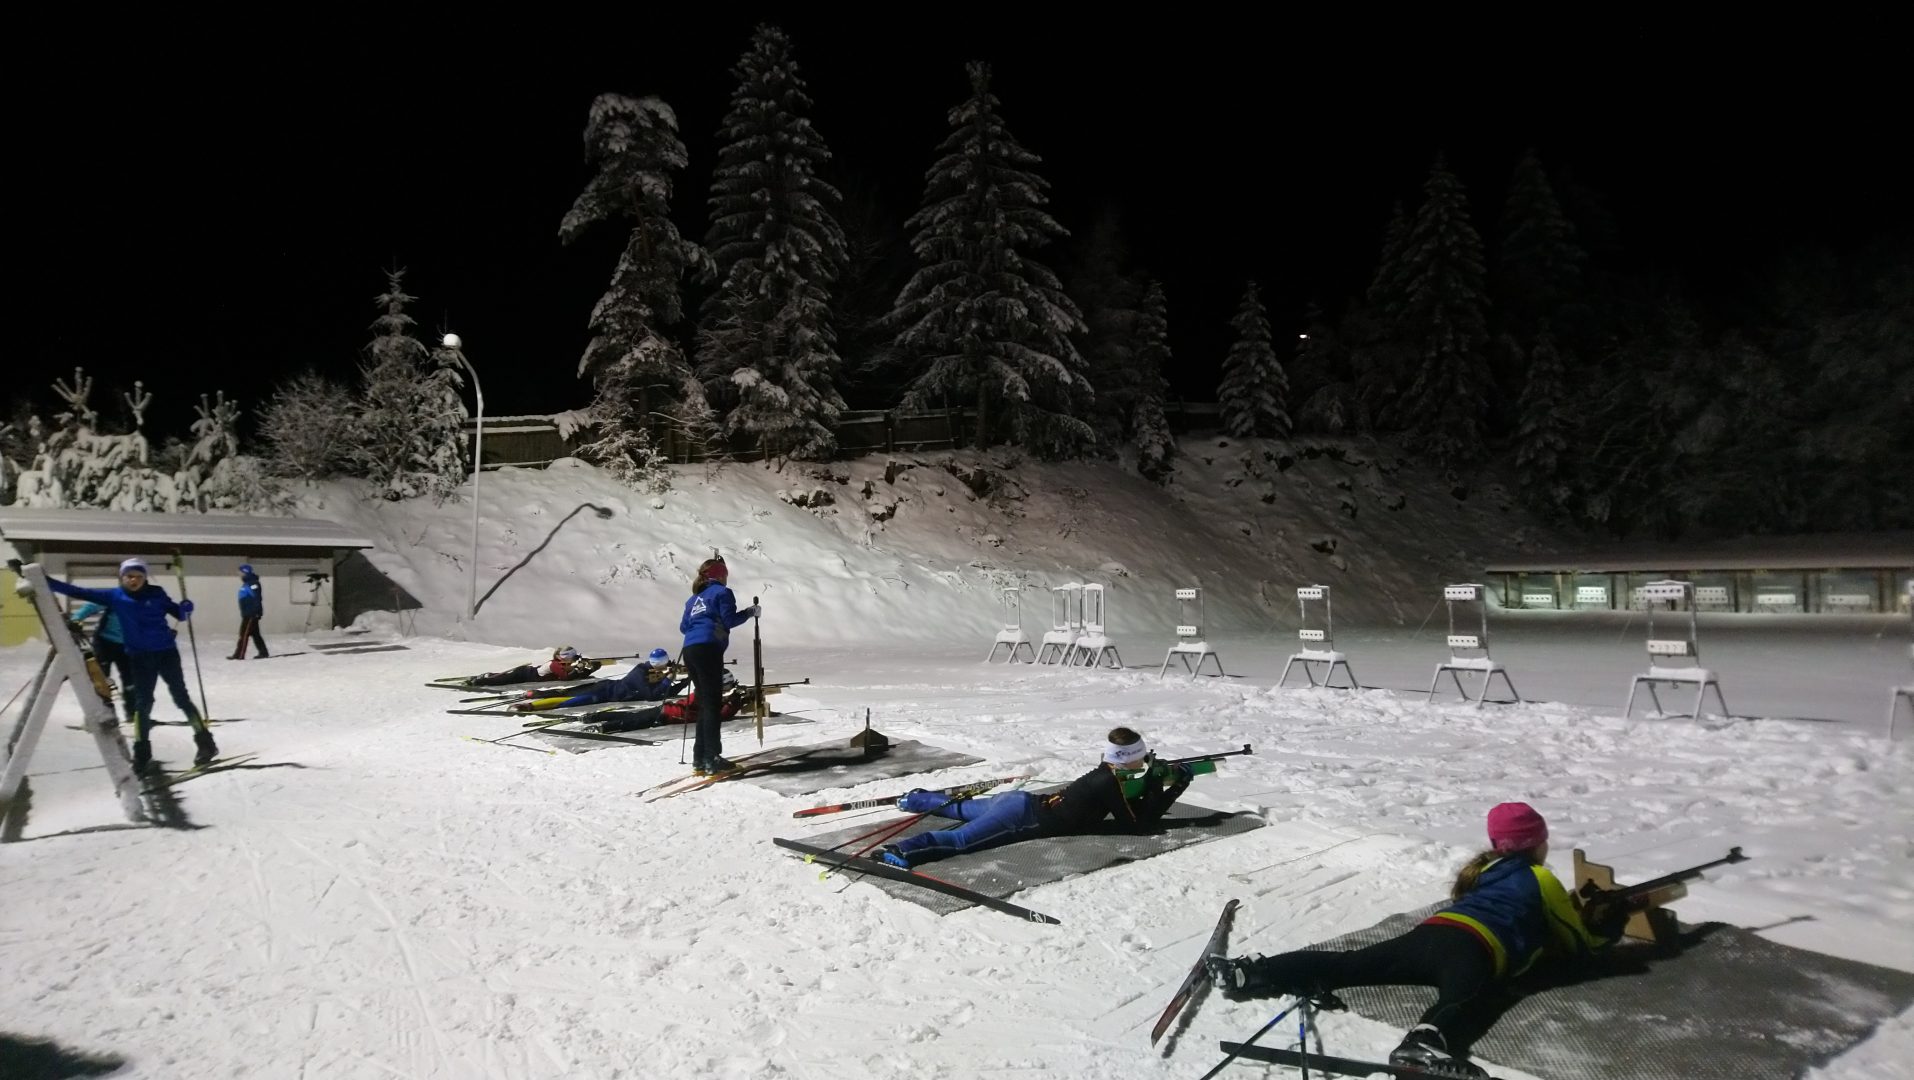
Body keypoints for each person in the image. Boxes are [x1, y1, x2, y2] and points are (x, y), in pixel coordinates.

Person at [1204, 802, 1624, 1078]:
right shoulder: (1541, 877)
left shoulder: (1483, 871)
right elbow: (1578, 943)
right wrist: (1609, 925)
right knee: (1465, 997)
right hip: (1475, 949)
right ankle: (1422, 1044)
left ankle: (1252, 972)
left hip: (1432, 933)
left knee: (1349, 965)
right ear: (1538, 844)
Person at [876, 727, 1194, 869]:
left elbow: (1136, 812)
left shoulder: (1109, 775)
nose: (1144, 761)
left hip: (1022, 803)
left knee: (960, 808)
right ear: (1125, 759)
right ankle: (901, 850)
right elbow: (1137, 825)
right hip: (1021, 817)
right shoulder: (1107, 782)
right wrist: (1165, 786)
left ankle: (916, 799)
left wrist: (1163, 784)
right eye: (1140, 757)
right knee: (961, 840)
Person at [47, 558, 218, 770]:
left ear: (145, 577)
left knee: (181, 698)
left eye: (138, 576)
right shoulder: (114, 597)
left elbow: (179, 615)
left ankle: (206, 743)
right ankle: (142, 753)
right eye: (129, 576)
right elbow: (77, 591)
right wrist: (44, 581)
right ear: (122, 577)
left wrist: (185, 609)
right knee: (142, 705)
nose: (134, 580)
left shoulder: (157, 593)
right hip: (139, 657)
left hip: (166, 654)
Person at [679, 557, 758, 775]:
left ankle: (700, 758)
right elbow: (730, 620)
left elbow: (683, 627)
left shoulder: (693, 599)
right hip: (708, 649)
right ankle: (712, 758)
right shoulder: (723, 593)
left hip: (690, 650)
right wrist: (750, 612)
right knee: (713, 704)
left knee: (705, 703)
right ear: (721, 575)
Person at [516, 648, 685, 712]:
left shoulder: (651, 671)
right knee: (571, 698)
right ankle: (530, 703)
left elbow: (666, 692)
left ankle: (533, 698)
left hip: (607, 691)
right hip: (605, 691)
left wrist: (684, 681)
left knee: (571, 696)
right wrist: (667, 679)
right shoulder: (641, 671)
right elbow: (652, 695)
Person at [468, 646, 602, 687]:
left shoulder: (563, 664)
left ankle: (489, 675)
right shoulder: (555, 664)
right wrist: (579, 668)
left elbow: (573, 675)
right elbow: (566, 678)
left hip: (528, 673)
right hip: (525, 673)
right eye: (573, 657)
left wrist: (590, 667)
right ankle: (479, 681)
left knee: (504, 678)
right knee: (501, 681)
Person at [71, 599, 127, 691]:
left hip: (128, 645)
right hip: (104, 641)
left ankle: (132, 701)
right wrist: (76, 619)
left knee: (131, 680)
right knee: (100, 674)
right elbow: (91, 606)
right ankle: (104, 697)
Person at [229, 563, 269, 659]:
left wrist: (256, 612)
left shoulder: (253, 584)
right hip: (248, 613)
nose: (238, 574)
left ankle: (239, 655)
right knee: (255, 635)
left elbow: (257, 598)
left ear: (245, 572)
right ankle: (263, 653)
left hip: (251, 614)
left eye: (240, 571)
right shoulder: (247, 583)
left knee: (244, 634)